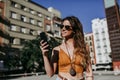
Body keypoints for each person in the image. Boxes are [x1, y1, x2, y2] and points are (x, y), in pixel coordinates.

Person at [40, 16, 93, 80]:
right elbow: (50, 74)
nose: (63, 29)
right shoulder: (56, 49)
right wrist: (45, 55)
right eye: (62, 26)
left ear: (74, 30)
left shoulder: (84, 48)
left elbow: (89, 73)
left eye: (67, 27)